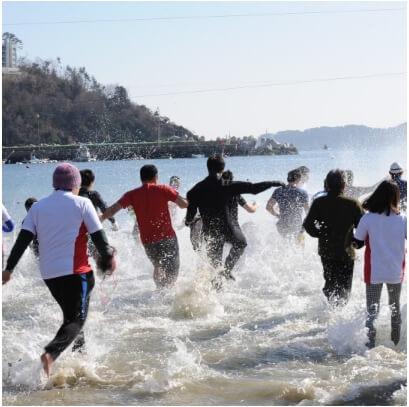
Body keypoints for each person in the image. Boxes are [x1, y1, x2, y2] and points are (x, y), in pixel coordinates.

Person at [2, 163, 116, 378]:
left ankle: (80, 355)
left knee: (70, 315)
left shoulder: (37, 207)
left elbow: (22, 240)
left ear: (55, 185)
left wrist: (9, 269)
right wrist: (108, 258)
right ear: (75, 184)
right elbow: (99, 237)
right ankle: (51, 353)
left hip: (50, 275)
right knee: (77, 319)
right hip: (77, 272)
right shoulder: (83, 203)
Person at [185, 154, 284, 285]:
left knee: (215, 267)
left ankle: (216, 295)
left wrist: (189, 222)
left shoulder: (194, 191)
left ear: (208, 168)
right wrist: (272, 183)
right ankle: (227, 269)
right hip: (229, 229)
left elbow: (190, 217)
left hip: (210, 232)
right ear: (222, 169)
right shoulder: (228, 185)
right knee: (241, 243)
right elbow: (253, 188)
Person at [101, 164, 188, 288]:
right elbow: (183, 204)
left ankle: (160, 290)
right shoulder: (163, 189)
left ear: (141, 178)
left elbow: (111, 211)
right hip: (167, 238)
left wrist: (98, 220)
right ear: (156, 177)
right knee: (173, 269)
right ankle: (167, 291)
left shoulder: (131, 194)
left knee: (158, 266)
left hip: (148, 241)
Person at [352, 180, 406, 348]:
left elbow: (357, 242)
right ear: (395, 197)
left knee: (372, 312)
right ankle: (396, 344)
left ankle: (370, 346)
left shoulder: (368, 218)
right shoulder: (403, 219)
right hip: (395, 271)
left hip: (374, 272)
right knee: (395, 309)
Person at [303, 169, 364, 306]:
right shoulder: (353, 203)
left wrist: (318, 234)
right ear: (344, 186)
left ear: (327, 185)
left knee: (330, 282)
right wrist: (358, 243)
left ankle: (329, 310)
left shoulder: (319, 202)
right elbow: (364, 227)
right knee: (345, 287)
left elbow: (307, 225)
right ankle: (340, 314)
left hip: (326, 250)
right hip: (346, 251)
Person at [266, 169, 309, 239]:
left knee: (285, 244)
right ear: (298, 179)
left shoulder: (278, 191)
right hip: (296, 225)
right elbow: (308, 212)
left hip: (281, 225)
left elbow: (268, 207)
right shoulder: (302, 193)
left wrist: (277, 215)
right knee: (299, 246)